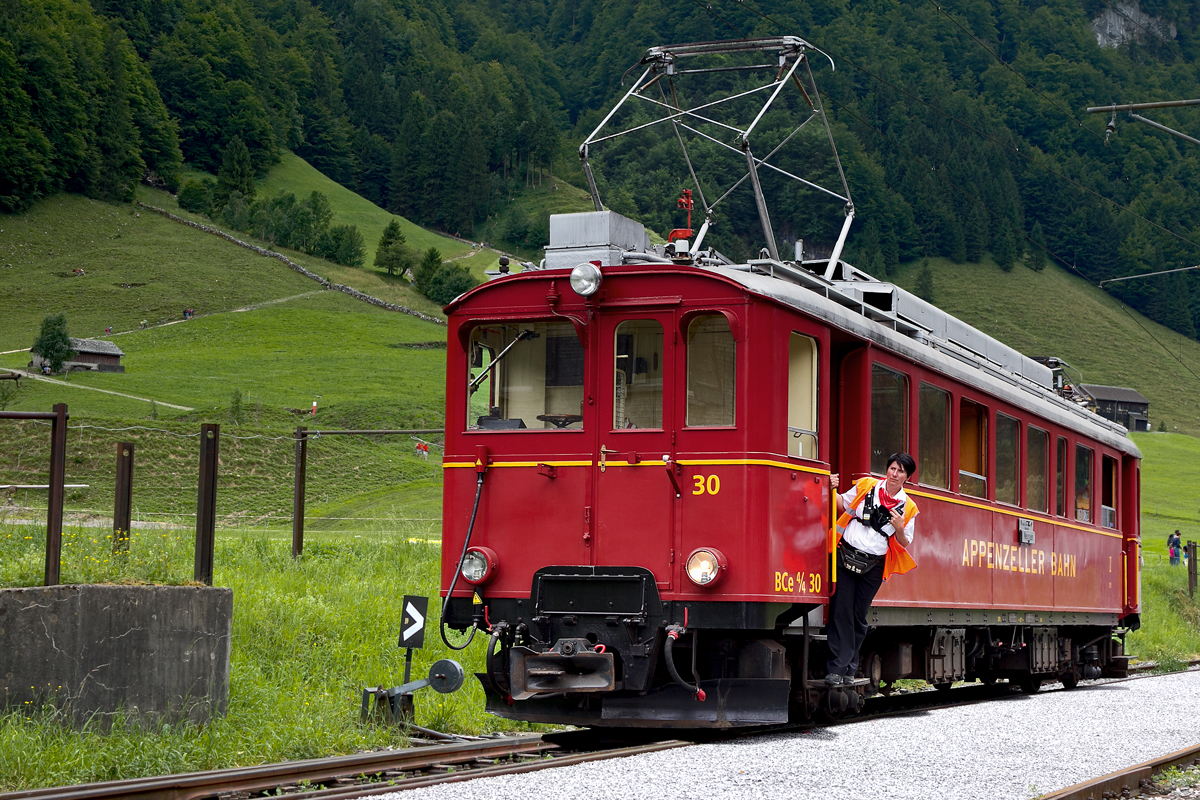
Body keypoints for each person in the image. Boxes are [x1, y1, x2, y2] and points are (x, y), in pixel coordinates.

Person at [825, 453, 919, 686]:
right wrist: (830, 488)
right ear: (887, 469)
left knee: (858, 615)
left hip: (873, 566)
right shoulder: (867, 486)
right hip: (845, 555)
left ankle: (849, 668)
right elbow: (841, 505)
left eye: (900, 471)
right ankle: (837, 669)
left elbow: (905, 541)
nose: (894, 474)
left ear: (907, 477)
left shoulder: (908, 506)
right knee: (840, 612)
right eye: (892, 468)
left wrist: (898, 528)